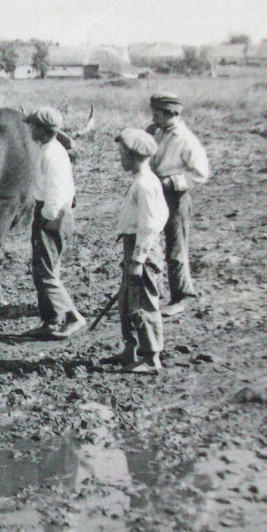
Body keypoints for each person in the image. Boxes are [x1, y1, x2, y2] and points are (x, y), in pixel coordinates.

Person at [24, 107, 86, 340]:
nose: (30, 129)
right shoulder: (49, 149)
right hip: (51, 212)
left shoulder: (52, 154)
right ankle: (51, 320)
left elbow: (57, 193)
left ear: (42, 129)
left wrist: (45, 217)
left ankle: (73, 317)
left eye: (33, 126)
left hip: (53, 215)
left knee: (45, 272)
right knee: (45, 269)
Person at [146, 92, 210, 317]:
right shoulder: (159, 133)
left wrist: (172, 181)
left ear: (168, 113)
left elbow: (201, 173)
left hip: (176, 197)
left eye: (156, 113)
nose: (153, 117)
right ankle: (150, 292)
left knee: (176, 248)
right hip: (156, 193)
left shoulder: (185, 139)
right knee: (150, 242)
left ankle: (181, 296)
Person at [114, 127, 169, 373]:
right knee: (127, 300)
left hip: (142, 249)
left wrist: (138, 259)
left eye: (122, 153)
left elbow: (149, 226)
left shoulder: (146, 185)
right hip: (133, 245)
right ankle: (131, 348)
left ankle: (151, 357)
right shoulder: (141, 181)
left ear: (132, 156)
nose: (120, 158)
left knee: (143, 302)